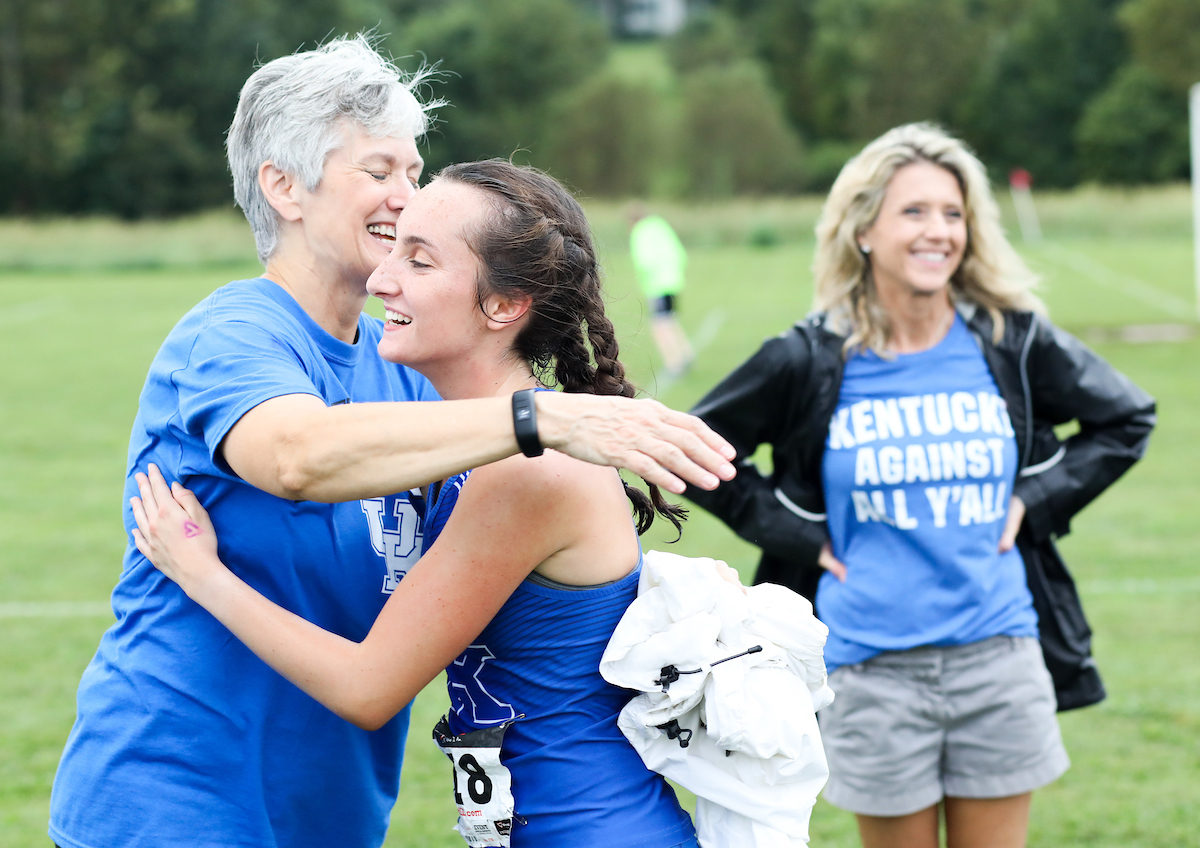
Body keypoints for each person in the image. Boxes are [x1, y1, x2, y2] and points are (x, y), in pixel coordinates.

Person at [48, 38, 734, 848]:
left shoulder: (407, 368)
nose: (406, 197)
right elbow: (298, 456)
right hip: (180, 801)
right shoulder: (233, 335)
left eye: (414, 173)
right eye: (379, 172)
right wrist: (539, 419)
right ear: (283, 186)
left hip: (332, 811)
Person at [683, 123, 1155, 848]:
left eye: (953, 213)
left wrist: (1034, 500)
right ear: (864, 228)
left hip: (998, 658)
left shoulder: (1010, 340)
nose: (939, 231)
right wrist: (800, 536)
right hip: (870, 671)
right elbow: (696, 451)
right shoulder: (808, 357)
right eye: (915, 212)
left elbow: (1126, 418)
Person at [629, 204, 695, 378]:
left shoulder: (639, 232)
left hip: (656, 285)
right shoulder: (660, 225)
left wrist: (642, 279)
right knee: (670, 319)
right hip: (674, 281)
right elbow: (678, 251)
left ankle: (674, 363)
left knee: (660, 326)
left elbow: (645, 260)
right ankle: (686, 353)